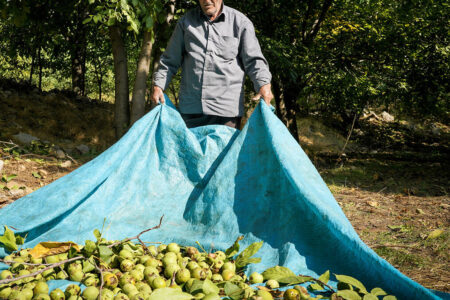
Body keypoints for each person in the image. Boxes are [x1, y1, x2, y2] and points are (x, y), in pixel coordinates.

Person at [151, 0, 273, 129]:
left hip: (226, 111)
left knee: (224, 149)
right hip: (191, 110)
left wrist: (263, 84)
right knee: (189, 149)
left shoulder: (241, 22)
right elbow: (170, 60)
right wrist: (158, 85)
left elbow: (254, 60)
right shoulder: (185, 22)